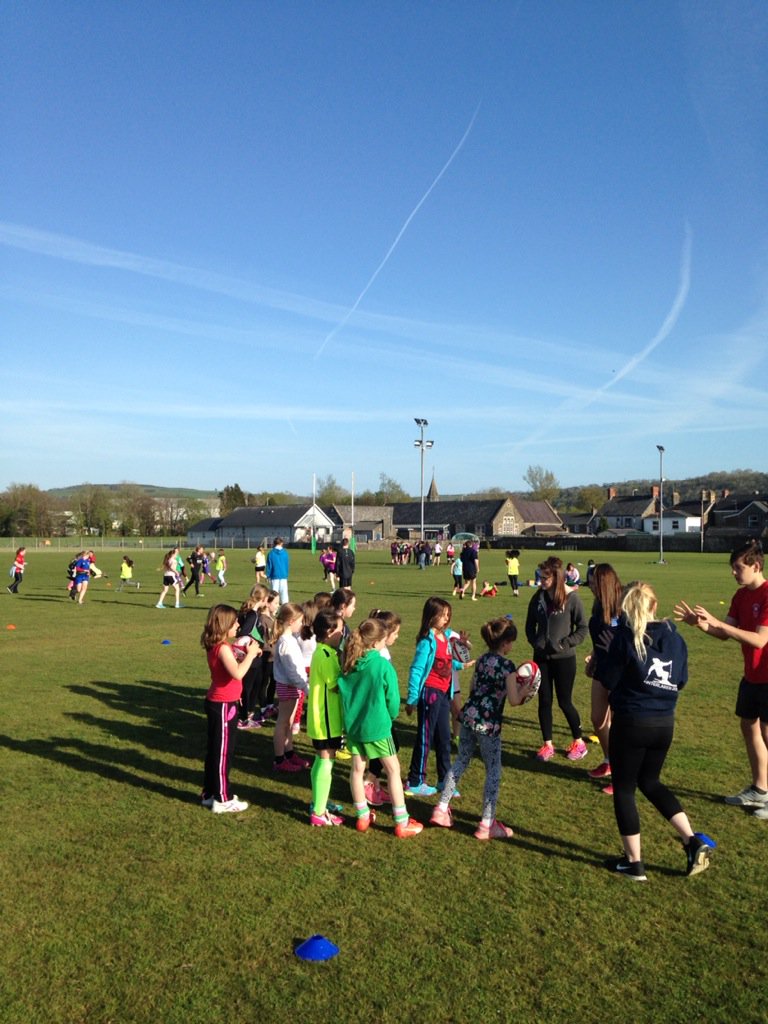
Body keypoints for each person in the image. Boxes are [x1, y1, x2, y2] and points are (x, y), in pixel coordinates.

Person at [596, 582, 711, 881]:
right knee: (650, 781)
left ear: (625, 610)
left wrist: (600, 660)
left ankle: (634, 863)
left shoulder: (623, 637)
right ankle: (691, 839)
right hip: (664, 723)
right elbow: (680, 680)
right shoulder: (676, 637)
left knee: (624, 789)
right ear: (655, 606)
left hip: (632, 721)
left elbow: (607, 679)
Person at [675, 538, 768, 818]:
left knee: (766, 733)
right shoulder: (740, 597)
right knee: (748, 727)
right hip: (751, 676)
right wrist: (702, 625)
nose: (733, 573)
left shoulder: (767, 594)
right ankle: (760, 789)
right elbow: (725, 632)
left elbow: (761, 641)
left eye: (738, 567)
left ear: (755, 565)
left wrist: (716, 622)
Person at [431, 617, 535, 839]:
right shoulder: (508, 667)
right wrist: (526, 689)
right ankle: (487, 823)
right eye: (511, 642)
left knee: (460, 762)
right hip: (488, 725)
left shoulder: (482, 660)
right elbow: (515, 700)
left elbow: (472, 687)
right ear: (506, 643)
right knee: (493, 771)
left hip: (468, 717)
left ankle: (440, 808)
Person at [337, 618, 423, 838]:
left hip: (355, 727)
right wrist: (390, 716)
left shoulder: (351, 662)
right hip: (377, 727)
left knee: (357, 770)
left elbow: (344, 692)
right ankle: (402, 822)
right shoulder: (382, 665)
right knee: (393, 770)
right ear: (375, 643)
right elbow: (393, 699)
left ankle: (362, 815)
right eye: (384, 640)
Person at [525, 556, 588, 762]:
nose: (541, 581)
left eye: (545, 577)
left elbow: (582, 628)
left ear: (557, 578)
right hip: (541, 658)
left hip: (564, 659)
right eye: (540, 577)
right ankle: (547, 745)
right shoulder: (538, 598)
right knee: (544, 700)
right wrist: (536, 642)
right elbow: (529, 625)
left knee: (564, 702)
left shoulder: (572, 599)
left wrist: (565, 643)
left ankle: (579, 742)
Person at [200, 604, 262, 813]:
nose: (238, 625)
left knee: (215, 750)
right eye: (235, 621)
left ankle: (209, 793)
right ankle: (222, 798)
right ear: (225, 624)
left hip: (223, 702)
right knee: (223, 752)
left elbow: (229, 674)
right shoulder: (223, 648)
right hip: (222, 705)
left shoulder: (219, 645)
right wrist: (251, 654)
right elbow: (237, 673)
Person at [405, 597, 465, 795]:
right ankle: (415, 780)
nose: (446, 618)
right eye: (442, 615)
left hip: (443, 694)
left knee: (444, 738)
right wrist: (413, 698)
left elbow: (446, 663)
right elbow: (417, 669)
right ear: (431, 617)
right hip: (429, 693)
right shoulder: (427, 641)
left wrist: (461, 664)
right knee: (425, 737)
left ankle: (444, 780)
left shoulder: (446, 637)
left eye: (448, 614)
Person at [585, 564, 624, 791]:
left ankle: (622, 774)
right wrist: (594, 655)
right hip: (601, 667)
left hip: (620, 671)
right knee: (598, 718)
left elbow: (629, 637)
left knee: (620, 725)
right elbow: (600, 636)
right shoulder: (599, 604)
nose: (590, 587)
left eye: (593, 583)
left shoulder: (622, 605)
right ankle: (610, 760)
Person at [307, 608, 346, 826]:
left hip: (321, 719)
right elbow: (335, 685)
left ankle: (318, 802)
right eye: (340, 630)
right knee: (326, 761)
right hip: (325, 720)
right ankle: (319, 813)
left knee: (320, 760)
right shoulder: (325, 655)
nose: (342, 635)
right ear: (330, 631)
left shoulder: (322, 652)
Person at [271, 602, 311, 773]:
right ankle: (279, 759)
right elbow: (292, 671)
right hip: (288, 686)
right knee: (283, 723)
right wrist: (306, 687)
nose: (302, 624)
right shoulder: (286, 642)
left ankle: (289, 753)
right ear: (290, 621)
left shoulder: (290, 639)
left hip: (292, 686)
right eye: (300, 621)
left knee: (288, 723)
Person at [235, 584, 269, 730]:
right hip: (250, 656)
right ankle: (242, 719)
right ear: (263, 599)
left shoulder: (248, 611)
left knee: (256, 683)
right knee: (246, 688)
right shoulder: (253, 614)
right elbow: (244, 632)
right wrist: (252, 643)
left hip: (253, 655)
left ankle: (247, 715)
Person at [266, 537, 290, 604]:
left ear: (274, 543)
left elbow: (269, 565)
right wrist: (286, 574)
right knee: (284, 592)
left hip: (274, 575)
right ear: (281, 543)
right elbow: (287, 564)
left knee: (274, 592)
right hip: (283, 575)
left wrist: (268, 575)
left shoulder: (271, 553)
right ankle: (285, 605)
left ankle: (273, 604)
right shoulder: (285, 553)